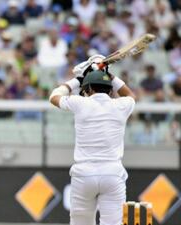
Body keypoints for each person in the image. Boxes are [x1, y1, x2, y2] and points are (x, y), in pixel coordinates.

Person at [49, 55, 136, 225]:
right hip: (112, 173)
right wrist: (110, 76)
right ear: (111, 90)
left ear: (87, 89)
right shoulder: (121, 106)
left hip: (84, 174)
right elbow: (130, 95)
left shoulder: (79, 103)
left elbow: (54, 97)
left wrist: (77, 80)